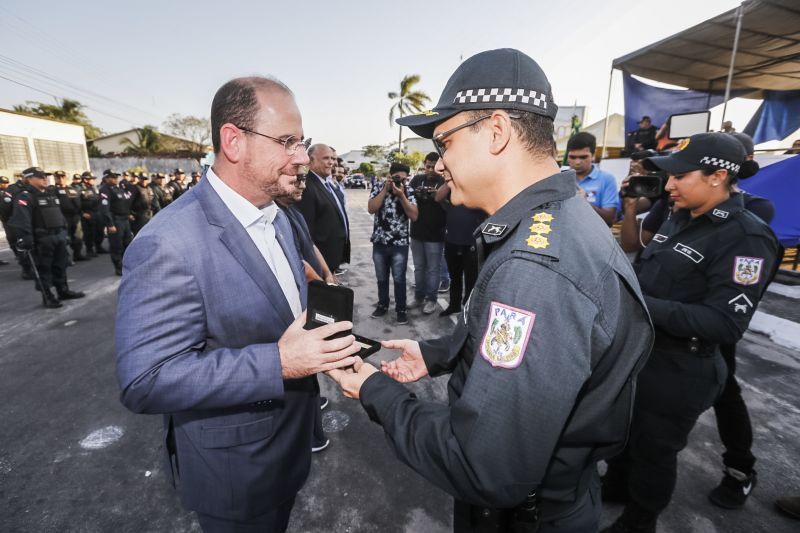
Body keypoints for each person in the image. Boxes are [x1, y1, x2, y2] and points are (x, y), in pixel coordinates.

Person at [328, 48, 653, 533]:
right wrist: (438, 352)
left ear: (496, 132)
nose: (438, 164)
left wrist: (375, 391)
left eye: (444, 142)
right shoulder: (555, 221)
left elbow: (485, 464)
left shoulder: (535, 269)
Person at [115, 76, 359, 533]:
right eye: (287, 142)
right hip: (236, 474)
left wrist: (325, 335)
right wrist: (281, 362)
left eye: (301, 142)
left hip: (287, 448)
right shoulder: (168, 243)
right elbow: (144, 381)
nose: (302, 157)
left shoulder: (280, 216)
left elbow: (282, 306)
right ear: (234, 142)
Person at [602, 132, 780, 533]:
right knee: (625, 433)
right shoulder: (680, 216)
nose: (668, 186)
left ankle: (639, 520)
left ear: (718, 176)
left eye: (680, 176)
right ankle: (614, 487)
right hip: (642, 353)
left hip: (682, 366)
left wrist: (637, 303)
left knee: (654, 450)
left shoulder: (747, 237)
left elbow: (725, 323)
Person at [7, 167, 85, 307]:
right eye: (40, 176)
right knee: (44, 268)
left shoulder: (50, 193)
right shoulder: (25, 196)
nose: (45, 178)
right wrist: (26, 239)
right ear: (29, 179)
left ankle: (63, 291)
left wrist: (64, 232)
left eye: (45, 176)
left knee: (60, 265)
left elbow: (59, 215)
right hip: (42, 240)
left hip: (58, 236)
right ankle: (47, 296)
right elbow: (22, 220)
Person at [367, 163, 418, 325]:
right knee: (381, 278)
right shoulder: (378, 187)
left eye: (402, 179)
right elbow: (371, 208)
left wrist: (401, 195)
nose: (399, 181)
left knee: (399, 279)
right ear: (390, 176)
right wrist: (385, 190)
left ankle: (401, 310)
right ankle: (382, 305)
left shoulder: (408, 191)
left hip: (399, 244)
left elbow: (414, 216)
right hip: (379, 242)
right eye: (396, 178)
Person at [296, 144, 350, 275]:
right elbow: (307, 233)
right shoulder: (307, 186)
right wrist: (322, 268)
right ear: (311, 160)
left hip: (331, 261)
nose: (331, 162)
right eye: (326, 158)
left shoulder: (325, 182)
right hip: (320, 264)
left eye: (332, 158)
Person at [436, 181, 486, 316]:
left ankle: (467, 309)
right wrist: (449, 179)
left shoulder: (481, 190)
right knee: (455, 277)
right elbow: (438, 198)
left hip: (471, 243)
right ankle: (454, 305)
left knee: (471, 279)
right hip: (452, 241)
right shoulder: (454, 189)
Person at [408, 152, 447, 314]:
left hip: (436, 235)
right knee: (419, 268)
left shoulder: (444, 181)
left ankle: (431, 299)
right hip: (416, 232)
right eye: (427, 166)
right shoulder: (417, 180)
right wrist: (416, 193)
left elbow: (449, 207)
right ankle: (418, 297)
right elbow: (407, 199)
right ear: (424, 165)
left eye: (433, 167)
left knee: (433, 269)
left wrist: (437, 196)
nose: (430, 170)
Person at [566, 132, 620, 227]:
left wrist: (584, 203)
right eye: (572, 157)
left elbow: (610, 219)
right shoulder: (560, 178)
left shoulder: (606, 179)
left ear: (593, 155)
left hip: (593, 237)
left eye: (583, 157)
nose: (577, 162)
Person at [98, 169, 134, 276]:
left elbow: (123, 204)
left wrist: (128, 214)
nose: (115, 179)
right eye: (112, 177)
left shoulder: (119, 188)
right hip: (116, 221)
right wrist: (110, 224)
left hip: (125, 220)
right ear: (106, 178)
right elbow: (105, 208)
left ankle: (127, 265)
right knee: (116, 245)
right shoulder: (105, 190)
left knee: (127, 243)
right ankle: (119, 267)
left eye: (116, 177)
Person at [53, 170, 86, 262]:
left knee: (78, 237)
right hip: (63, 217)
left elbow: (78, 202)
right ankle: (66, 258)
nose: (60, 179)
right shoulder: (53, 190)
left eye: (62, 177)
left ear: (66, 178)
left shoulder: (71, 189)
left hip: (75, 216)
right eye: (58, 177)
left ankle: (77, 254)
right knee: (64, 238)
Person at [79, 171, 106, 257]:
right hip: (88, 213)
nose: (93, 181)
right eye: (91, 179)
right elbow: (76, 204)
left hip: (97, 212)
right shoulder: (80, 189)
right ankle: (89, 250)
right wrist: (82, 213)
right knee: (89, 233)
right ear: (86, 180)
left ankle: (99, 246)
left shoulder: (94, 188)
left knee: (99, 231)